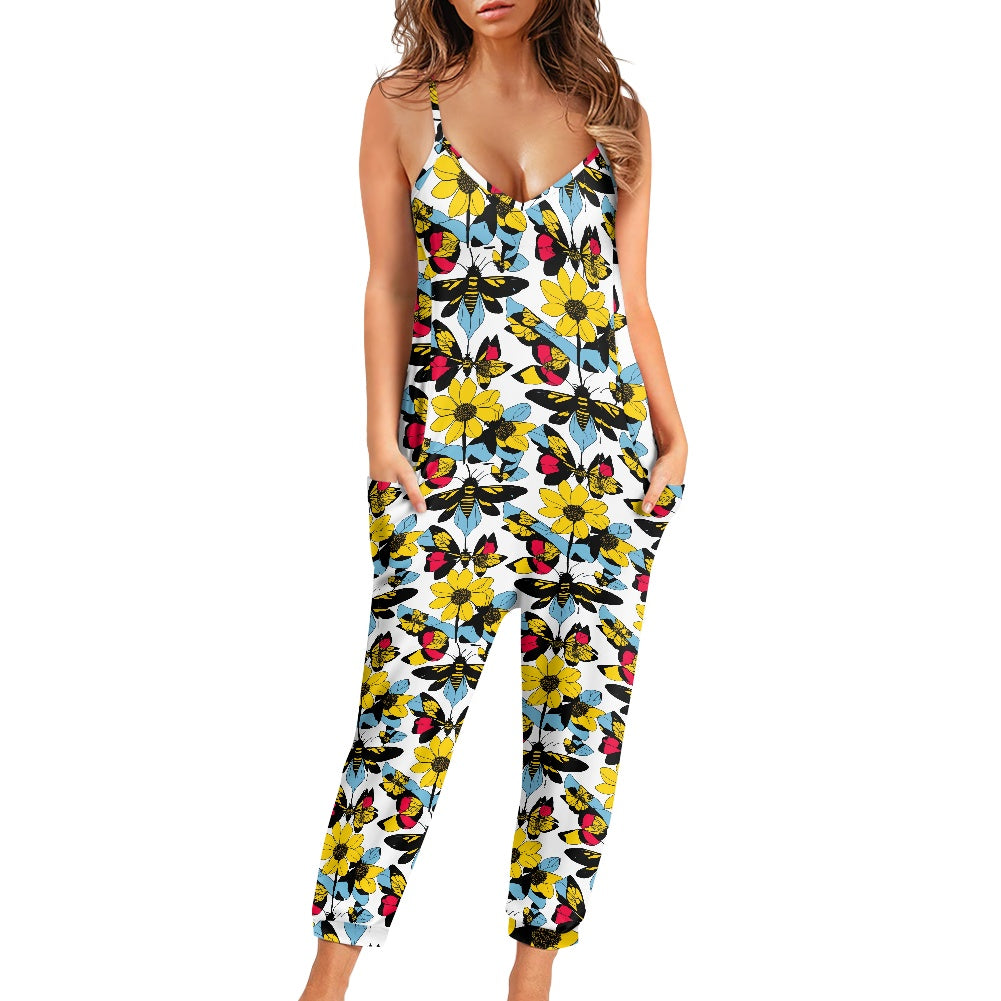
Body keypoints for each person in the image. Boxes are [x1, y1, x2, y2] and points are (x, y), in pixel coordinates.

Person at [298, 2, 688, 998]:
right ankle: (324, 983)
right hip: (446, 474)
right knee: (399, 728)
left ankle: (530, 984)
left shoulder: (616, 115)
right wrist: (381, 437)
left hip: (598, 474)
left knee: (579, 738)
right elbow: (389, 284)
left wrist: (674, 431)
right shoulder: (401, 105)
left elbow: (630, 296)